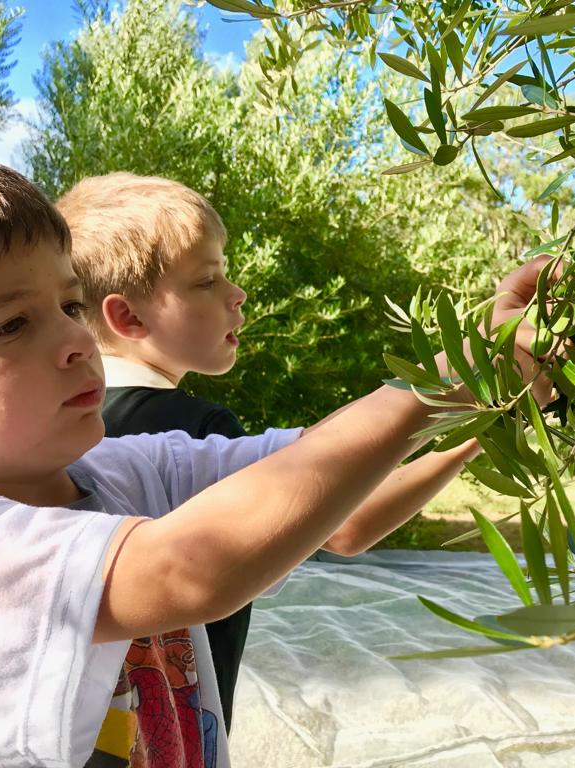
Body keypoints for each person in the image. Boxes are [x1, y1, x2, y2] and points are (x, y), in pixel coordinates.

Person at [0, 144, 554, 767]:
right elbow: (187, 571)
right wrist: (447, 383)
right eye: (12, 324)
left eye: (69, 304)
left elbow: (316, 460)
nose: (78, 338)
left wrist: (473, 370)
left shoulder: (121, 469)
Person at [56, 171, 484, 735]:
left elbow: (325, 450)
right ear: (128, 317)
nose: (238, 295)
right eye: (207, 281)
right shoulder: (196, 430)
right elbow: (346, 525)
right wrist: (475, 434)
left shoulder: (68, 433)